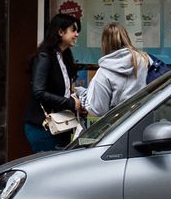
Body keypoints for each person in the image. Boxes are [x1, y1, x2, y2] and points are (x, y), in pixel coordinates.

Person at [23, 13, 83, 153]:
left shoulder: (64, 56)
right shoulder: (45, 57)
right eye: (73, 30)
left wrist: (76, 105)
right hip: (43, 126)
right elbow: (39, 92)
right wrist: (70, 103)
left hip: (62, 126)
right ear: (60, 32)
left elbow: (64, 90)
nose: (76, 34)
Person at [79, 23, 150, 117]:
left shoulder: (104, 72)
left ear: (104, 43)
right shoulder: (144, 60)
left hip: (119, 125)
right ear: (126, 37)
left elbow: (98, 110)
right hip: (143, 118)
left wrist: (82, 96)